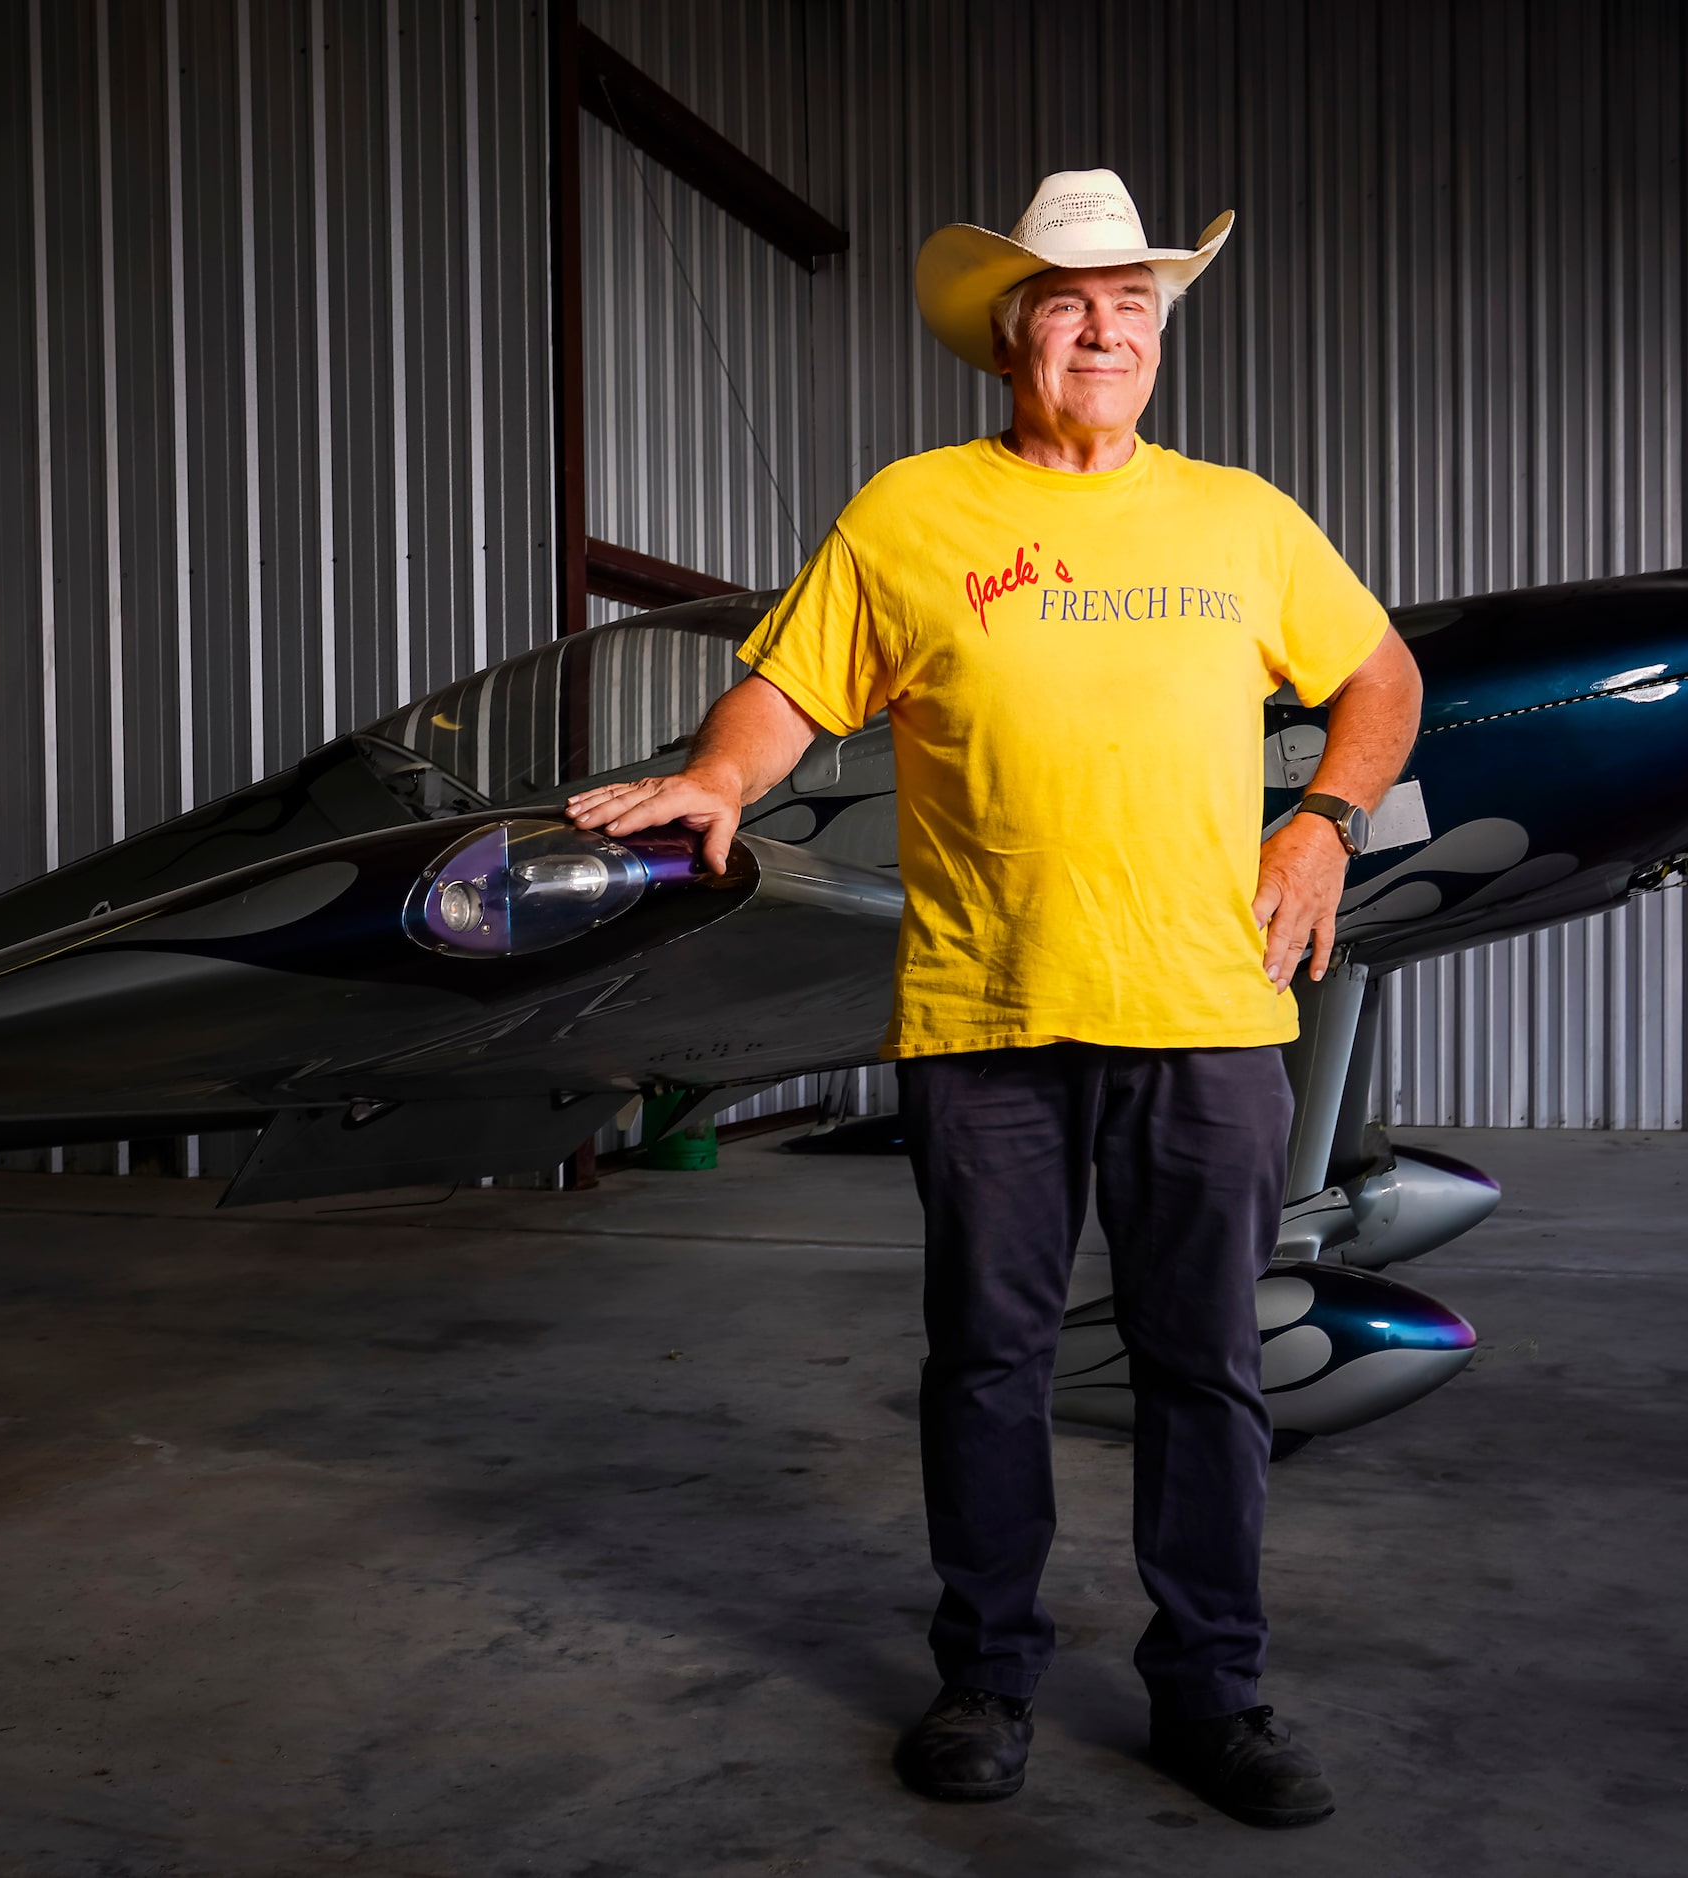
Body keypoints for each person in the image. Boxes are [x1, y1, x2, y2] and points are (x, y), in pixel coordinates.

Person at [565, 168, 1422, 1828]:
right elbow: (785, 686)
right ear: (1009, 332)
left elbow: (1374, 678)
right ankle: (989, 1670)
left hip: (1207, 1014)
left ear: (1155, 336)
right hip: (989, 1012)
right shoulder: (913, 513)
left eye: (1130, 305)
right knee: (987, 1359)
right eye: (1067, 302)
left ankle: (1212, 1689)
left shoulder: (1242, 517)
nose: (1102, 328)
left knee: (1203, 1364)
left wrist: (1321, 822)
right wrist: (714, 781)